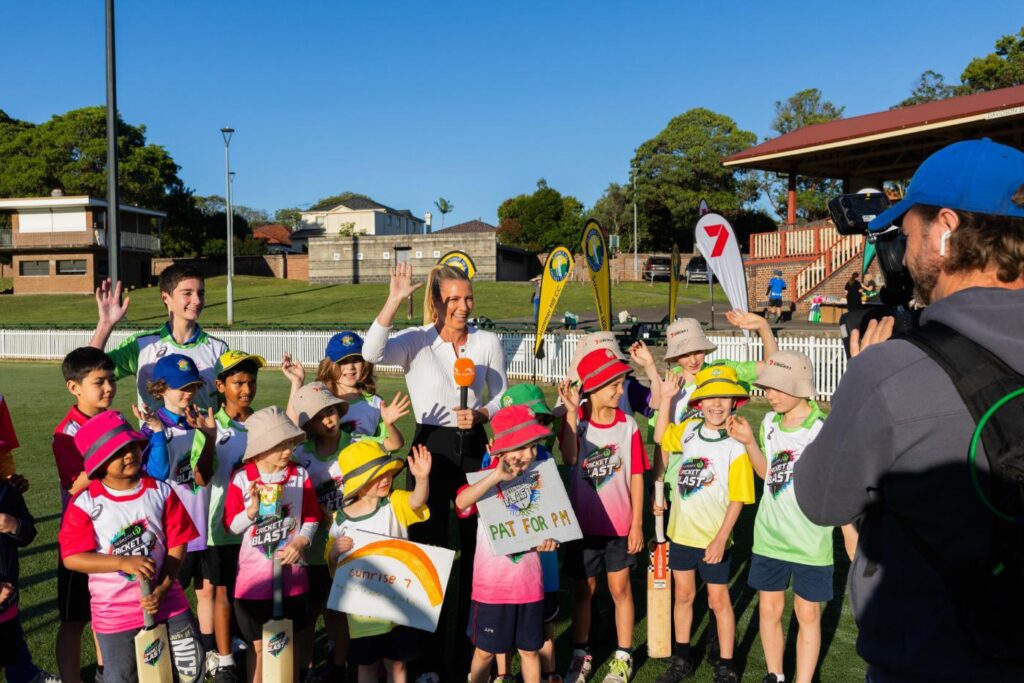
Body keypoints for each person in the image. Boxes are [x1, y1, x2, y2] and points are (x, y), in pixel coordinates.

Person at [794, 138, 1024, 682]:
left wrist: (862, 380)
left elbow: (821, 499)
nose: (902, 245)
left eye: (909, 229)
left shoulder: (890, 372)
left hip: (934, 656)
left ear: (944, 228)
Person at [361, 262, 507, 682]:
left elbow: (500, 397)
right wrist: (393, 300)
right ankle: (425, 660)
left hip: (473, 448)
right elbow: (371, 353)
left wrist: (480, 413)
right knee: (429, 556)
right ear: (437, 301)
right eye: (453, 299)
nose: (463, 307)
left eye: (468, 298)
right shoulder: (416, 341)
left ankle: (470, 652)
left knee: (478, 554)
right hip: (430, 450)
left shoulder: (487, 342)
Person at [726, 352, 856, 683]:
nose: (770, 394)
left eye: (779, 388)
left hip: (811, 540)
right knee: (769, 611)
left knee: (808, 613)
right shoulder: (769, 423)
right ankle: (776, 674)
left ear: (801, 387)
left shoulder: (821, 430)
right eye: (768, 387)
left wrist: (848, 530)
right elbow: (769, 474)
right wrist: (748, 443)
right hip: (770, 536)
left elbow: (836, 483)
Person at [58, 410, 204, 683]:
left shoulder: (159, 491)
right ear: (99, 460)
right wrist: (122, 563)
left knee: (191, 670)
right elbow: (73, 558)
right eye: (118, 450)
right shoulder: (86, 503)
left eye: (133, 445)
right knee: (122, 676)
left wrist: (163, 586)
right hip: (115, 612)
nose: (130, 454)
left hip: (168, 601)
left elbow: (178, 543)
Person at [653, 366, 755, 683]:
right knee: (683, 596)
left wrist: (721, 538)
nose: (716, 404)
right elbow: (660, 437)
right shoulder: (689, 429)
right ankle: (681, 659)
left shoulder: (736, 444)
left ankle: (726, 664)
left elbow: (738, 498)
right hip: (681, 533)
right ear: (698, 403)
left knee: (717, 600)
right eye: (710, 397)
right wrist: (667, 399)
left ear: (734, 402)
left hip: (714, 538)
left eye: (723, 397)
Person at [558, 348, 650, 683]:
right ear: (594, 388)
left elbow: (637, 475)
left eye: (622, 383)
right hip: (583, 528)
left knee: (620, 589)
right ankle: (581, 654)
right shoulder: (578, 424)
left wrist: (637, 523)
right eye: (613, 384)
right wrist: (569, 415)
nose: (620, 390)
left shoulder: (628, 427)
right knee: (584, 591)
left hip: (620, 528)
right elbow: (569, 458)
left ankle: (623, 655)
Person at [456, 404, 558, 683]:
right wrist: (496, 476)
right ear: (500, 449)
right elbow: (462, 503)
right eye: (522, 447)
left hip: (529, 585)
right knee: (485, 653)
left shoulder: (540, 477)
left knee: (529, 651)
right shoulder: (487, 478)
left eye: (534, 447)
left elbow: (549, 524)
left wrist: (548, 542)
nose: (530, 454)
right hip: (492, 588)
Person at [223, 406, 320, 683]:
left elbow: (311, 515)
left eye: (289, 443)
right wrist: (251, 511)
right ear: (260, 448)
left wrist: (301, 541)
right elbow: (231, 526)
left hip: (293, 578)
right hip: (254, 581)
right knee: (259, 646)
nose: (288, 450)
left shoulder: (300, 475)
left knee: (287, 641)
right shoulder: (242, 479)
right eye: (279, 445)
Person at [327, 440, 433, 683]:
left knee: (397, 664)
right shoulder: (341, 520)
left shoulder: (394, 503)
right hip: (362, 612)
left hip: (399, 603)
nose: (385, 479)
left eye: (387, 473)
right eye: (377, 476)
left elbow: (416, 502)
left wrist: (422, 479)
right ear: (359, 483)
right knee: (367, 665)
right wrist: (334, 552)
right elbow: (332, 566)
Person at [137, 354, 218, 667]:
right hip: (172, 532)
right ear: (160, 389)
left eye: (192, 386)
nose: (188, 392)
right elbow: (153, 477)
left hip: (204, 523)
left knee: (207, 592)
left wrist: (208, 436)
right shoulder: (151, 427)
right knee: (167, 594)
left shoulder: (199, 421)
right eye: (180, 387)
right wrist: (155, 432)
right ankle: (161, 651)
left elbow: (205, 473)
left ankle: (210, 650)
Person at [489, 385, 562, 683]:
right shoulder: (491, 462)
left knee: (544, 620)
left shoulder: (544, 457)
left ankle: (550, 672)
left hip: (542, 560)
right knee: (503, 621)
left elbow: (556, 509)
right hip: (506, 565)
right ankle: (503, 673)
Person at [53, 347, 117, 682]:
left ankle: (109, 670)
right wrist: (109, 453)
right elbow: (74, 485)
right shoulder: (67, 433)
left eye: (111, 380)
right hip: (80, 538)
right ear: (74, 388)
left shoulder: (115, 418)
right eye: (99, 382)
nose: (108, 388)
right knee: (74, 619)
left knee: (109, 612)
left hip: (116, 531)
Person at [89, 264, 229, 412]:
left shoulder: (218, 348)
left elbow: (227, 404)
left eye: (200, 293)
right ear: (165, 297)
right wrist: (105, 324)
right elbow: (88, 371)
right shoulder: (141, 345)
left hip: (207, 435)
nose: (197, 300)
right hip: (154, 435)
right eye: (187, 293)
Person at [206, 350, 267, 683]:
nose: (247, 389)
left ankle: (254, 645)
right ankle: (226, 658)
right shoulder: (212, 424)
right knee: (223, 591)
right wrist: (210, 436)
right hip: (223, 527)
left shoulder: (263, 423)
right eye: (238, 382)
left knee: (252, 590)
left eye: (252, 382)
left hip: (259, 527)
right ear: (220, 385)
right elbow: (201, 475)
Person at [289, 381, 351, 676]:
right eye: (319, 416)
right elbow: (293, 491)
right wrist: (317, 510)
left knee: (337, 610)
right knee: (307, 614)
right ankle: (305, 668)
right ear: (309, 424)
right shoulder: (302, 454)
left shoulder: (354, 444)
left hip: (347, 543)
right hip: (312, 548)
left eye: (331, 412)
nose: (328, 420)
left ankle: (339, 666)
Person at [0, 472, 59, 683]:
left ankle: (26, 674)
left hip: (8, 602)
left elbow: (28, 533)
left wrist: (14, 525)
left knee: (15, 649)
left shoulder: (8, 491)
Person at [315, 331, 410, 450]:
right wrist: (296, 383)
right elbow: (297, 434)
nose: (350, 367)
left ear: (365, 364)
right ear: (329, 365)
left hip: (362, 467)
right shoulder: (319, 398)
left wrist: (389, 425)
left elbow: (393, 445)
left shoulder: (375, 403)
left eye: (356, 360)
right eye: (343, 361)